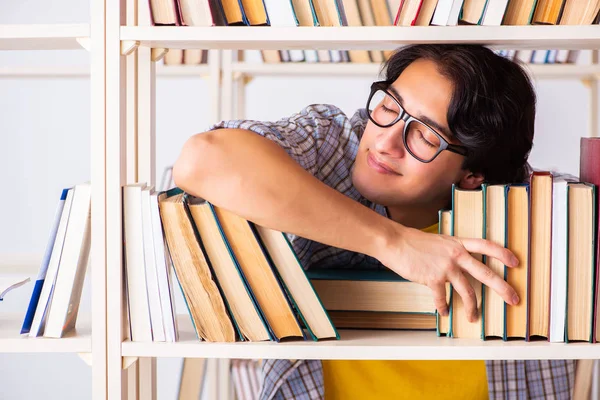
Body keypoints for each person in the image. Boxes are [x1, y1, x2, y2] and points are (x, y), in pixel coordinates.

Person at [173, 44, 575, 399]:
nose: (384, 141)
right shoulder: (336, 143)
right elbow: (202, 160)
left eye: (425, 136)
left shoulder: (540, 216)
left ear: (473, 174)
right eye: (388, 106)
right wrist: (393, 242)